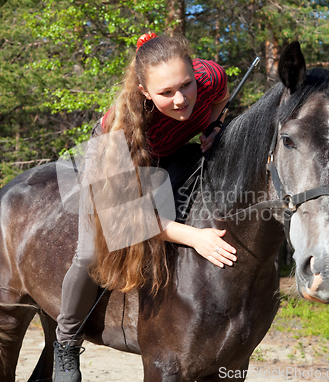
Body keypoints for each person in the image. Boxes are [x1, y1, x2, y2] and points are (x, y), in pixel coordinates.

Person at [53, 33, 238, 382]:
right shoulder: (119, 129)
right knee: (91, 253)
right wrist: (195, 237)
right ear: (144, 92)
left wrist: (214, 126)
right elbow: (126, 219)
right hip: (116, 162)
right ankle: (65, 341)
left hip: (167, 152)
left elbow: (220, 98)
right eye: (166, 93)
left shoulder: (211, 76)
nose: (181, 100)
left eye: (186, 85)